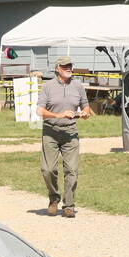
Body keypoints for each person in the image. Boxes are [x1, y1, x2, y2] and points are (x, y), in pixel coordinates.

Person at [37, 55, 91, 218]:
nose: (68, 68)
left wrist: (85, 113)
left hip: (71, 132)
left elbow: (86, 106)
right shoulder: (47, 87)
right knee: (48, 170)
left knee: (72, 170)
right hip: (51, 132)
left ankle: (69, 205)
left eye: (70, 65)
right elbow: (40, 111)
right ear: (57, 69)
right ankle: (54, 199)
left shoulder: (78, 86)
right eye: (65, 66)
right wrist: (59, 115)